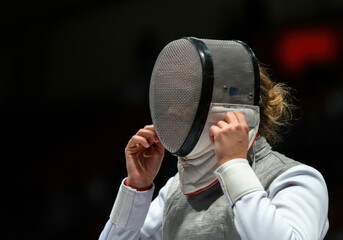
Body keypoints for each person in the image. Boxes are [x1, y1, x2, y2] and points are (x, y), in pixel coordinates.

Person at [99, 38, 329, 240]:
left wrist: (234, 166)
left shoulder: (295, 179)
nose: (170, 112)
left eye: (185, 99)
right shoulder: (174, 191)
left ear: (225, 108)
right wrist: (137, 188)